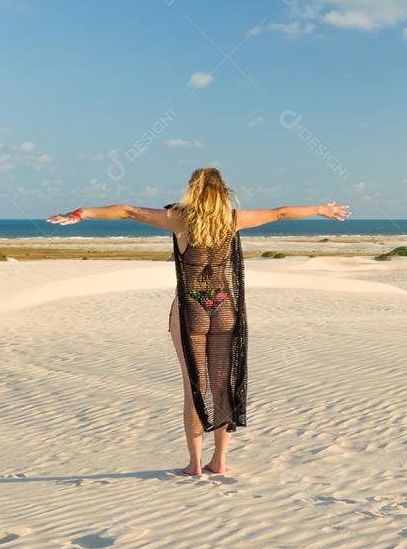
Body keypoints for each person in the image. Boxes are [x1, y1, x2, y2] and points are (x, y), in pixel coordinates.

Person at [47, 167, 350, 476]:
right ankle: (219, 461)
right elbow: (280, 213)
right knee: (221, 386)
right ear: (223, 192)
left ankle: (194, 464)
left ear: (192, 190)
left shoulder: (178, 219)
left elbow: (128, 211)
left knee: (195, 386)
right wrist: (320, 209)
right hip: (224, 306)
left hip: (191, 306)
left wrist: (81, 213)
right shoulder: (233, 219)